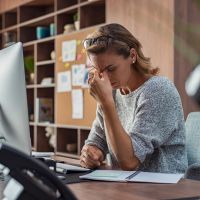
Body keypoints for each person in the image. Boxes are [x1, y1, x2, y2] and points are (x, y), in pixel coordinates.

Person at [80, 23, 188, 173]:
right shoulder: (112, 92)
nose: (103, 77)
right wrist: (91, 153)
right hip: (125, 186)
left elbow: (129, 161)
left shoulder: (158, 90)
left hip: (165, 190)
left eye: (111, 69)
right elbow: (97, 140)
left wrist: (106, 103)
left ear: (132, 55)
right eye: (98, 70)